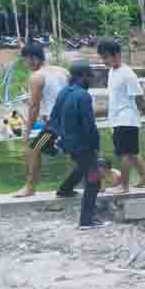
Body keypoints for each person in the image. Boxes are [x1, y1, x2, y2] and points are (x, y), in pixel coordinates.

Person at [52, 60, 107, 230]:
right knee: (93, 179)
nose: (90, 79)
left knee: (83, 164)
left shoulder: (63, 92)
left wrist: (59, 140)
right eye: (89, 76)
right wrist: (96, 145)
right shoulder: (83, 95)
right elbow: (89, 125)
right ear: (83, 76)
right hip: (82, 142)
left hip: (65, 141)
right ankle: (86, 221)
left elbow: (54, 118)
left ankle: (64, 189)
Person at [14, 44, 70, 198]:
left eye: (25, 60)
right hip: (70, 120)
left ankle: (30, 187)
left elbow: (34, 106)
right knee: (76, 154)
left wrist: (28, 129)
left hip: (56, 123)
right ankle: (95, 182)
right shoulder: (63, 71)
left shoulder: (37, 76)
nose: (25, 64)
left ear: (34, 59)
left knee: (33, 150)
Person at [97, 38, 145, 194]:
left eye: (106, 57)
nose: (104, 61)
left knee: (124, 154)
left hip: (126, 119)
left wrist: (139, 112)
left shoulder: (127, 73)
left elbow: (139, 95)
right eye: (102, 57)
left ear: (117, 55)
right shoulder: (113, 71)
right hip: (119, 119)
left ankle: (124, 186)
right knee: (133, 153)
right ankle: (144, 180)